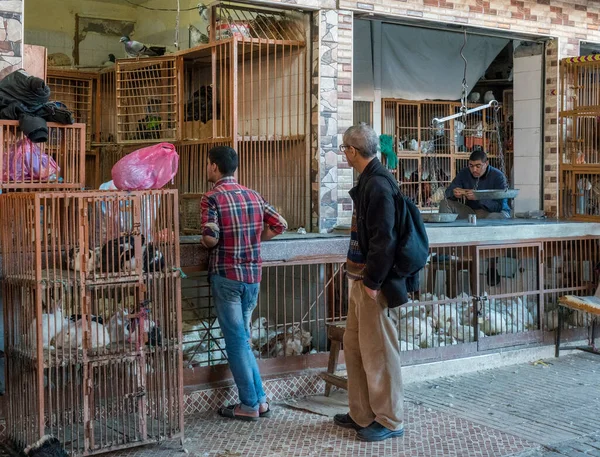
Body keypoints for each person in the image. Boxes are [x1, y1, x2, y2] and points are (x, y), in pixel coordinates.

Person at [200, 146, 288, 421]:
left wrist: (212, 239)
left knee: (236, 342)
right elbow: (280, 224)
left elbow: (210, 237)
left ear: (214, 167)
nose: (207, 168)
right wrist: (253, 237)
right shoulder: (254, 196)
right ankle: (260, 400)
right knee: (244, 341)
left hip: (227, 277)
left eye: (207, 164)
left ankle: (248, 404)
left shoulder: (211, 197)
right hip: (253, 277)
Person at [335, 123, 405, 442]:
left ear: (352, 151)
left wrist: (373, 282)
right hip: (360, 277)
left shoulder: (378, 184)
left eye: (344, 149)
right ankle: (361, 412)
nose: (344, 154)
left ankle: (390, 419)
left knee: (378, 350)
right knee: (354, 346)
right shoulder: (368, 180)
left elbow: (385, 240)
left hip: (372, 282)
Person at [440, 150, 511, 219]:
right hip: (472, 212)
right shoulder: (464, 173)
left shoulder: (498, 176)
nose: (474, 170)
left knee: (494, 217)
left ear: (486, 164)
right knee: (445, 203)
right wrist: (454, 194)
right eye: (471, 166)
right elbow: (447, 193)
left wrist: (478, 197)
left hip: (494, 212)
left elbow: (499, 207)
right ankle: (448, 231)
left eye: (478, 166)